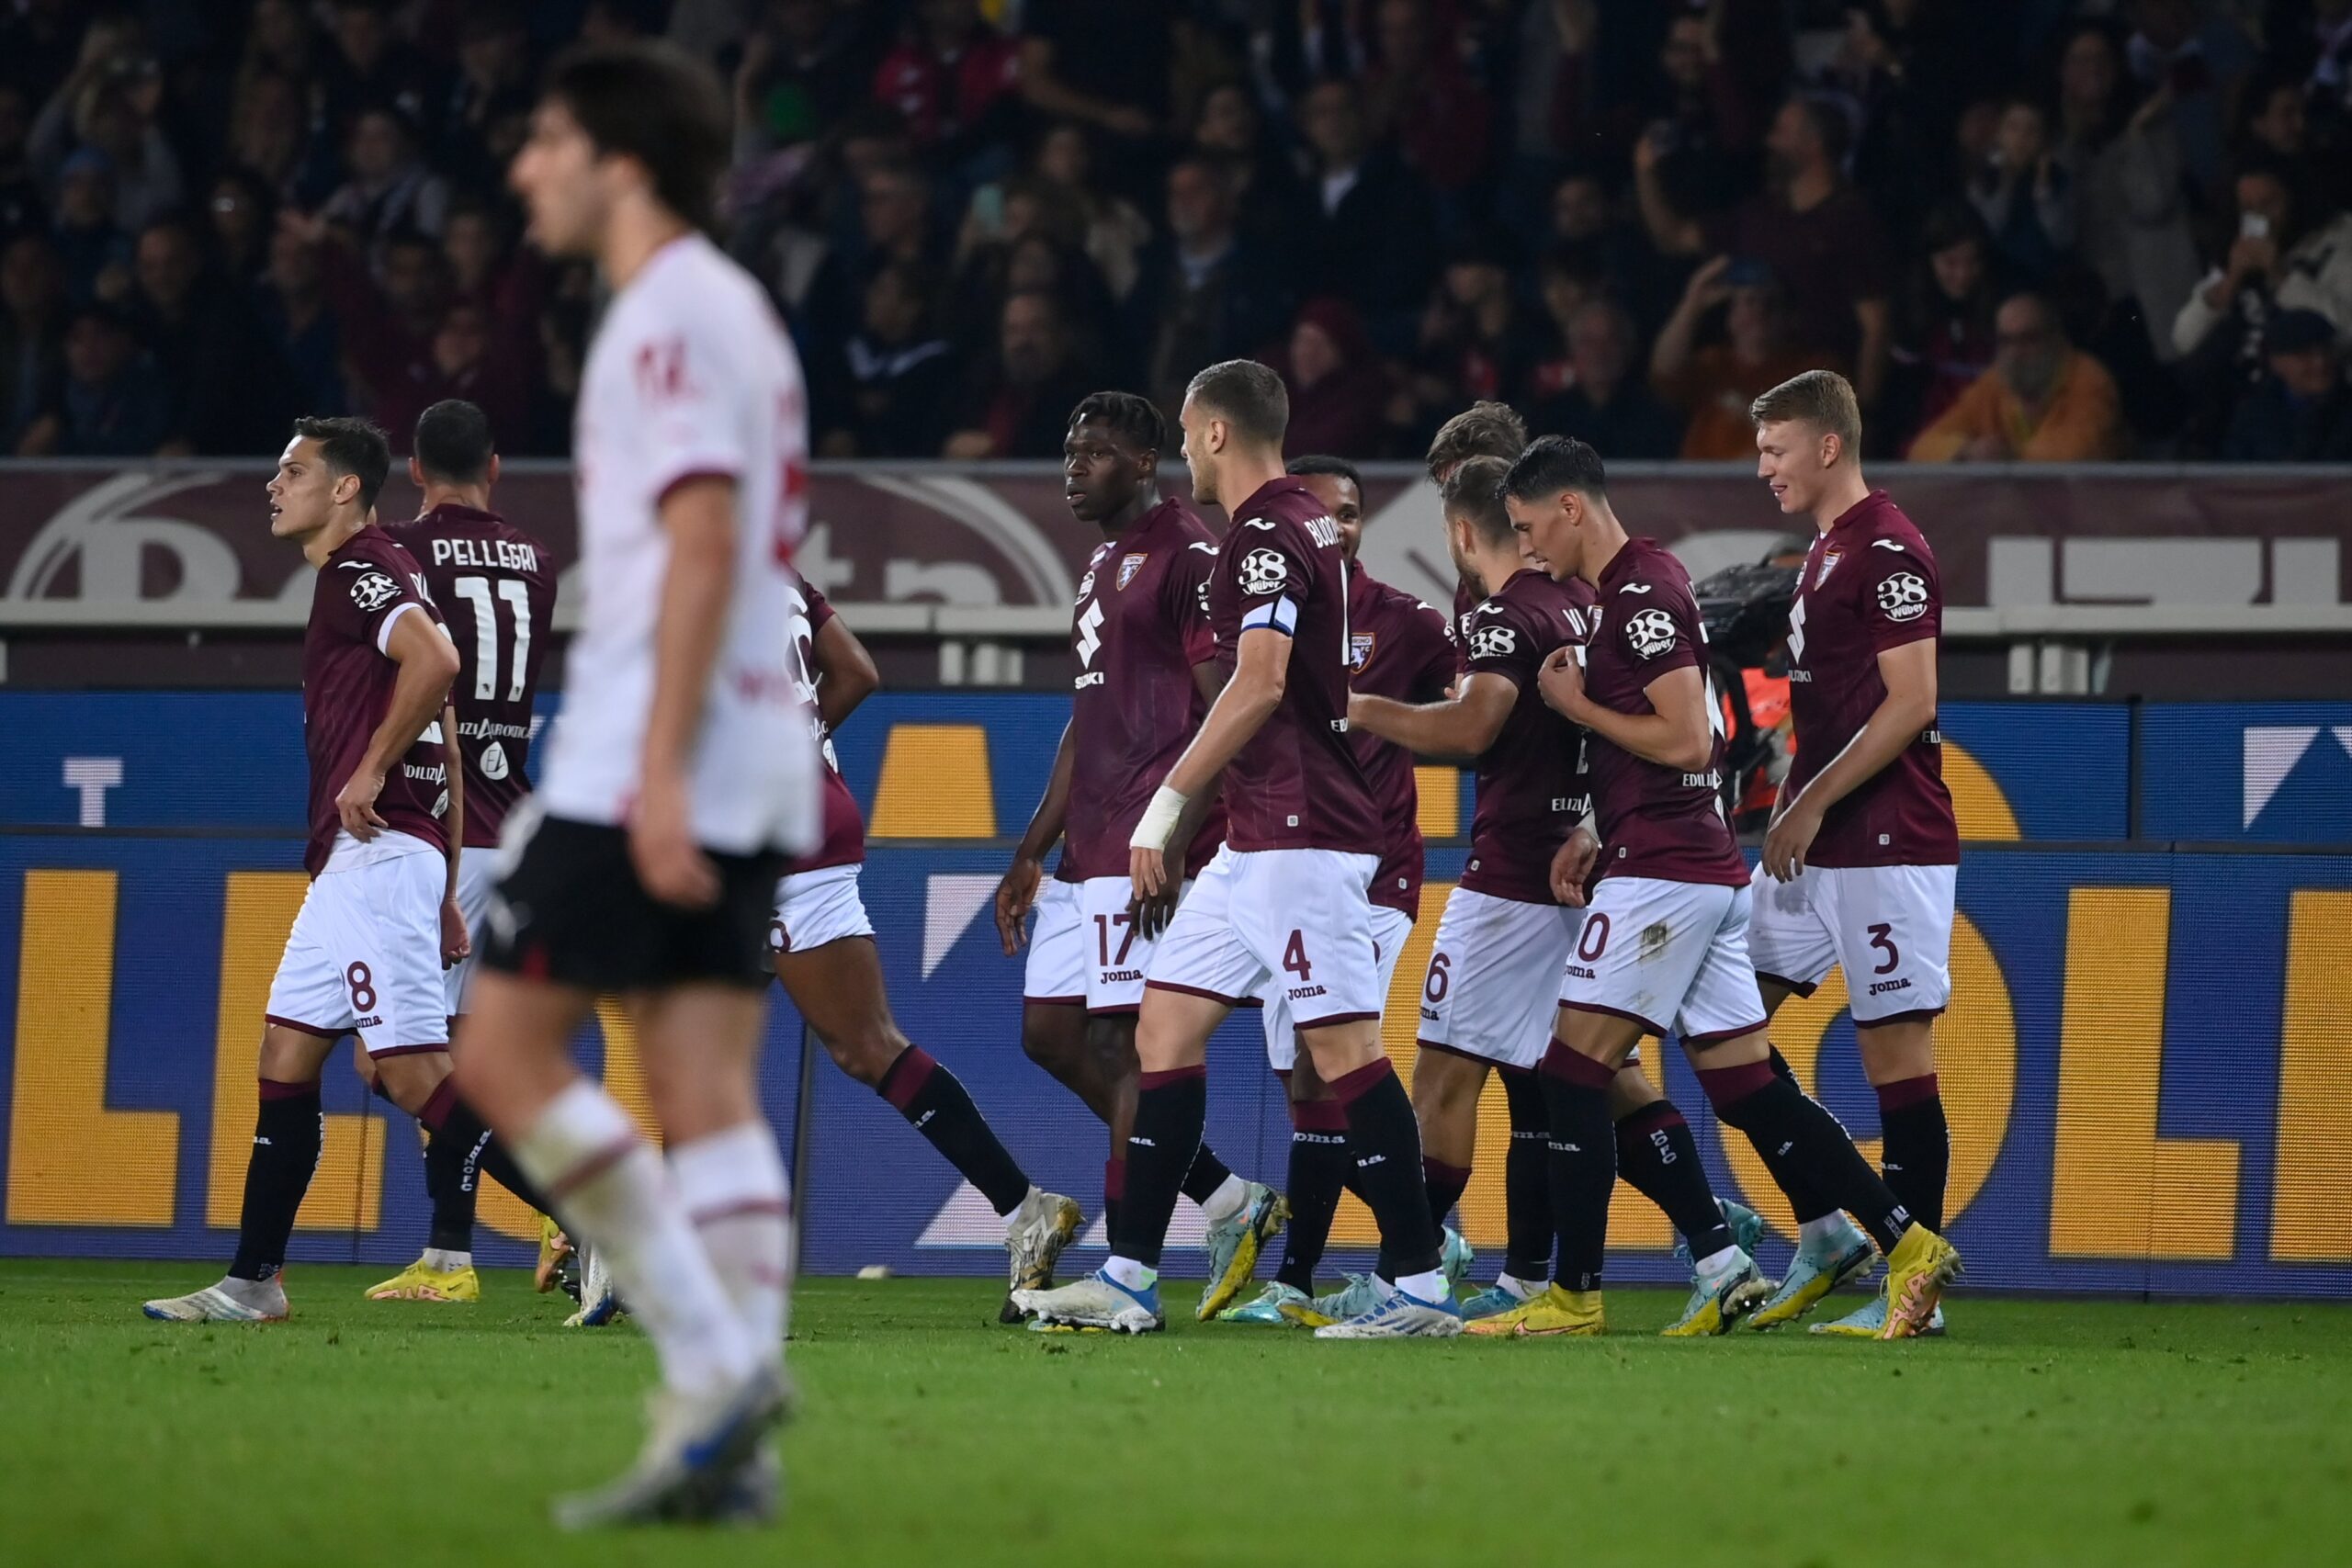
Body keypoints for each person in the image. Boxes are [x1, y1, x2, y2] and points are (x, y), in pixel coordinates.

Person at [454, 44, 820, 1527]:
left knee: (499, 1048)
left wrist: (654, 772)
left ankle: (717, 1355)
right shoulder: (726, 310)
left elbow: (707, 529)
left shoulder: (663, 313)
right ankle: (727, 1445)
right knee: (700, 1085)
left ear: (622, 160)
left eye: (546, 137)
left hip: (645, 756)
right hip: (750, 748)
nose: (525, 167)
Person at [1470, 434, 1960, 1341]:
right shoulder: (1645, 582)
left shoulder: (1639, 596)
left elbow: (1691, 741)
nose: (1529, 547)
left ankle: (1572, 1294)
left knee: (1572, 1071)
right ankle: (1906, 1243)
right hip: (1688, 865)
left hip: (1663, 875)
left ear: (1571, 507)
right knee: (1746, 1086)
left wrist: (1576, 709)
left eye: (1531, 526)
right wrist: (1593, 824)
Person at [1012, 360, 1458, 1339]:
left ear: (1215, 433)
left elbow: (1254, 685)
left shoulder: (1262, 530)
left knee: (1342, 1052)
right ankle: (1129, 1276)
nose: (1180, 450)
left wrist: (1165, 810)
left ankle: (1420, 1286)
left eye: (1183, 432)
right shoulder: (1298, 523)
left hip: (1303, 836)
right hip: (1257, 841)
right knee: (1160, 1033)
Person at [1339, 454, 1763, 1335]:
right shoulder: (1586, 597)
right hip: (1589, 863)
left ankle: (1406, 1279)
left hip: (1516, 877)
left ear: (1462, 529)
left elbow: (1474, 722)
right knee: (1596, 1073)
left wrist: (1360, 707)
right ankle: (1717, 1247)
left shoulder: (1505, 611)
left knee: (1444, 1077)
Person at [141, 415, 496, 1325]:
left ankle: (601, 1226)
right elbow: (447, 728)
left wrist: (370, 771)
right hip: (378, 859)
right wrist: (450, 883)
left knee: (414, 1075)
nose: (275, 484)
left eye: (293, 470)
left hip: (375, 855)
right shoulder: (382, 570)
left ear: (345, 487)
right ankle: (254, 1281)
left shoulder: (357, 572)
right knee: (287, 1055)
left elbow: (440, 662)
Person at [996, 390, 1283, 1325]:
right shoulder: (1103, 563)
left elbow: (1224, 702)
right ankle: (1228, 1200)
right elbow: (1088, 721)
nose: (1074, 467)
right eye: (1071, 451)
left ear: (1149, 460)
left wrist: (1179, 828)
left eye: (1097, 453)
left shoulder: (1189, 556)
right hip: (1087, 845)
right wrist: (1030, 850)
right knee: (1052, 1035)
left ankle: (1130, 1275)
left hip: (1146, 840)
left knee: (1131, 1048)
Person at [770, 572, 1084, 1323]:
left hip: (750, 822)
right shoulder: (774, 565)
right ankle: (1023, 1208)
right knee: (864, 1046)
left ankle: (626, 1241)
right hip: (806, 812)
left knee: (680, 1020)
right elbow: (857, 669)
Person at [1216, 453, 1462, 1326]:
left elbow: (1480, 706)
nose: (1340, 528)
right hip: (1282, 857)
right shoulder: (1265, 616)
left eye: (1352, 513)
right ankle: (1317, 1274)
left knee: (1336, 1060)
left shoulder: (1407, 622)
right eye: (1326, 512)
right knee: (1302, 1081)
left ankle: (1399, 1249)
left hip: (1374, 871)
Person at [1747, 367, 1964, 1337]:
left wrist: (1811, 800)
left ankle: (1908, 1288)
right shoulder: (1827, 551)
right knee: (1723, 1026)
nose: (1765, 469)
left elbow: (1911, 702)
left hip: (1882, 840)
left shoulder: (1888, 548)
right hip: (1815, 841)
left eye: (1776, 449)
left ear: (1828, 445)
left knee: (1895, 1060)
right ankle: (1828, 1229)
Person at [356, 398, 561, 1306]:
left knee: (388, 1062)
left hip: (441, 826)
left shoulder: (400, 554)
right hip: (511, 819)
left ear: (410, 470)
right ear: (496, 465)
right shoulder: (538, 561)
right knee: (458, 1065)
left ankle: (551, 1222)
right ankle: (453, 1253)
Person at [1908, 289, 2126, 460]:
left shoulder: (2091, 380)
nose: (2015, 353)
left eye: (2028, 339)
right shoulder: (1994, 382)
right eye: (2006, 341)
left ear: (2055, 338)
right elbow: (1922, 449)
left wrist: (2006, 457)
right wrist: (1967, 451)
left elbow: (2076, 454)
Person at [2220, 308, 2352, 462]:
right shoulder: (2254, 416)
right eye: (2304, 355)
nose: (2320, 363)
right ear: (2276, 362)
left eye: (2326, 351)